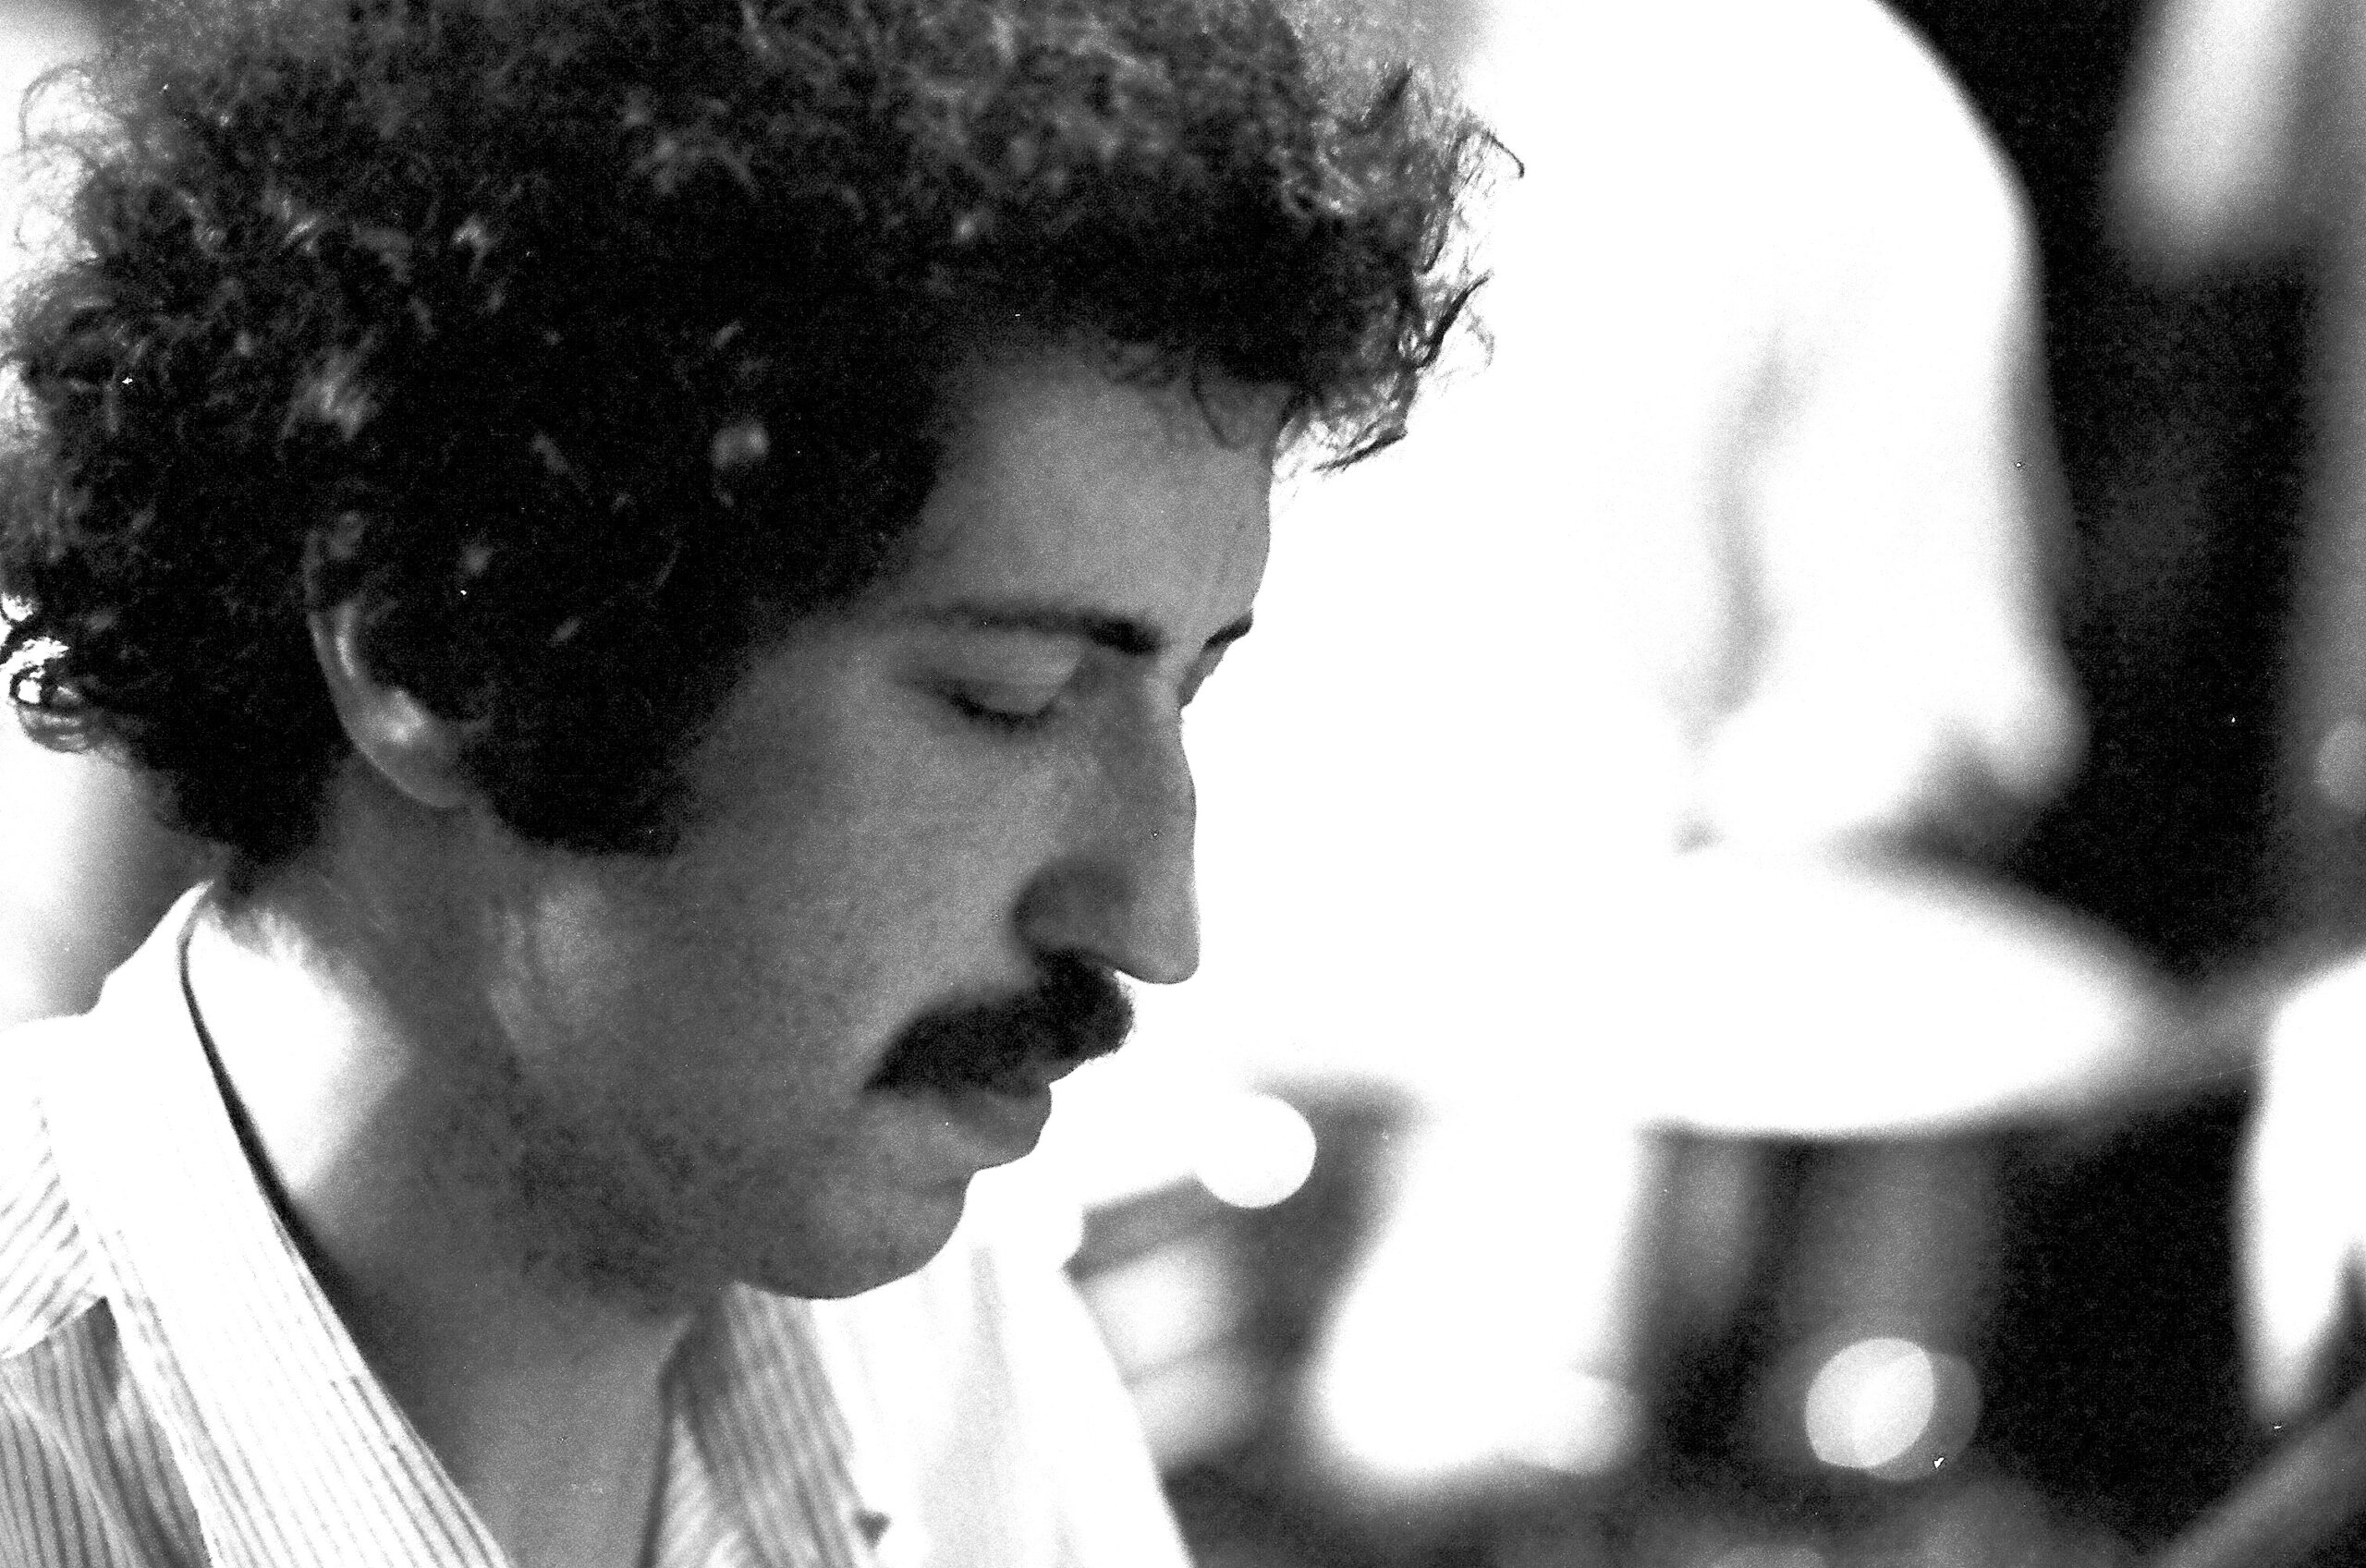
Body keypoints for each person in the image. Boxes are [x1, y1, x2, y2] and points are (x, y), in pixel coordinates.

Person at [0, 0, 1479, 1562]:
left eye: (1189, 688)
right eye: (1009, 697)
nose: (1153, 922)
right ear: (435, 645)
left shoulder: (945, 1354)